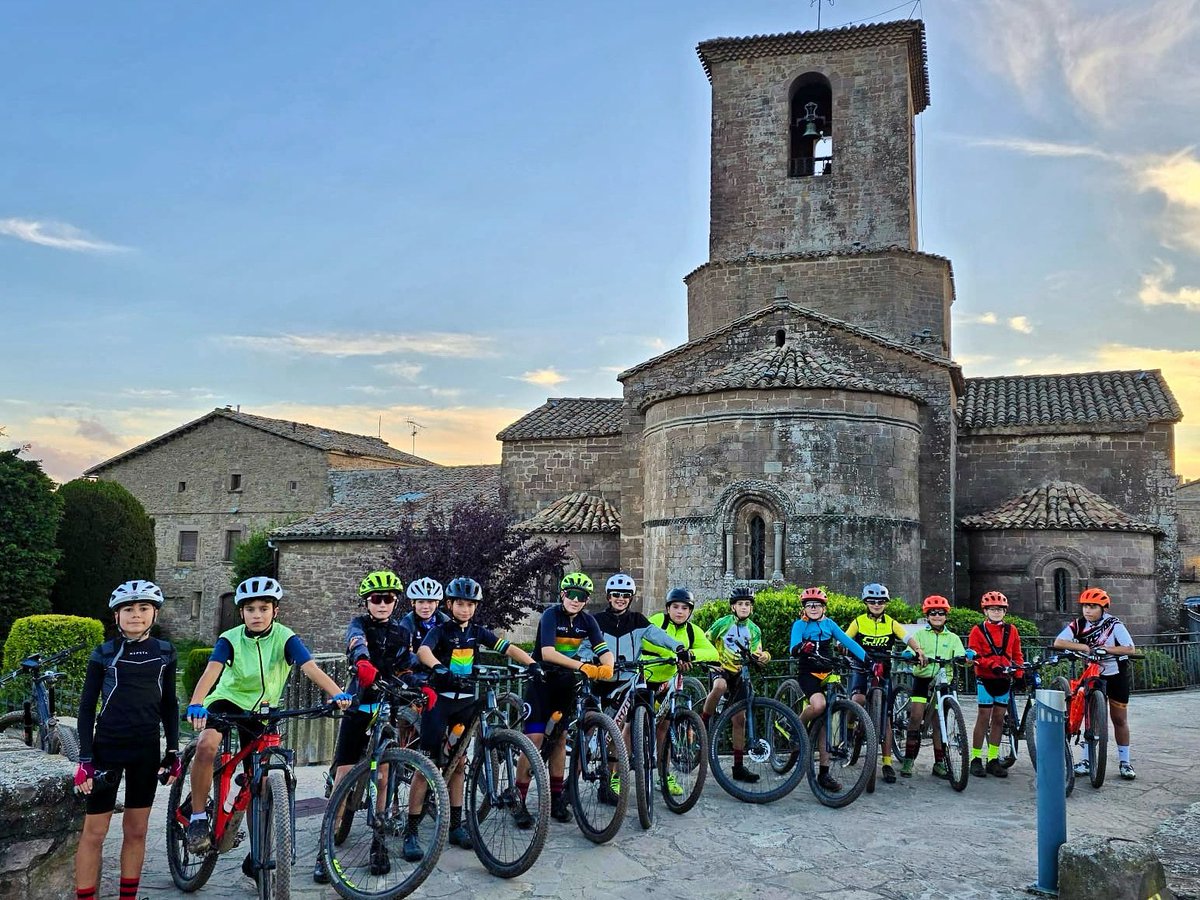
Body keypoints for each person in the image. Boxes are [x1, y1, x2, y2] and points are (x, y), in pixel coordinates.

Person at [184, 577, 352, 886]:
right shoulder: (230, 639)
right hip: (227, 701)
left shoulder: (286, 638)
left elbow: (310, 667)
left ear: (275, 611)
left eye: (264, 608)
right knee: (207, 746)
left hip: (263, 709)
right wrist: (197, 703)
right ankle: (196, 817)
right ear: (242, 612)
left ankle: (257, 854)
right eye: (250, 609)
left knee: (258, 783)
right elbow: (212, 671)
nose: (257, 614)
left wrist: (337, 693)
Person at [414, 576, 539, 855]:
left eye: (471, 605)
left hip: (466, 703)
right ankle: (411, 830)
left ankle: (456, 826)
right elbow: (423, 650)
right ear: (450, 604)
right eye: (460, 604)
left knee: (459, 764)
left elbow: (506, 647)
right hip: (440, 703)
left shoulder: (478, 632)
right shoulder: (442, 631)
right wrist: (439, 667)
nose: (465, 610)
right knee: (426, 767)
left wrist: (532, 664)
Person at [73, 581, 179, 900]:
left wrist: (172, 750)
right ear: (117, 616)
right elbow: (86, 707)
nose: (136, 615)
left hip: (146, 750)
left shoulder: (165, 652)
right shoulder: (103, 654)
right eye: (128, 609)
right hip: (107, 749)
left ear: (154, 613)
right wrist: (85, 760)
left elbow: (169, 704)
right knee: (95, 832)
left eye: (143, 608)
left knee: (136, 831)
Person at [313, 570, 417, 884]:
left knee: (383, 778)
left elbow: (405, 667)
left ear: (395, 601)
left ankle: (379, 844)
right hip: (359, 706)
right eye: (376, 599)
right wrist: (362, 663)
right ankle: (324, 849)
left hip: (387, 708)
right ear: (367, 602)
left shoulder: (401, 632)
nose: (382, 603)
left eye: (388, 598)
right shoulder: (359, 625)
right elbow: (356, 645)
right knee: (344, 776)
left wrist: (420, 686)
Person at [516, 572, 614, 826]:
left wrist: (608, 666)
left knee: (559, 740)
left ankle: (557, 799)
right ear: (562, 595)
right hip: (542, 684)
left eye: (581, 596)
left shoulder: (587, 621)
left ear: (586, 600)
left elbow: (602, 649)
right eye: (571, 594)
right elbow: (547, 653)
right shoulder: (551, 616)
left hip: (565, 686)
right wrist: (582, 666)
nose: (575, 600)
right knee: (534, 741)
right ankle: (519, 800)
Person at [588, 573, 686, 803]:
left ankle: (609, 782)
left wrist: (679, 647)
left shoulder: (638, 620)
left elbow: (659, 636)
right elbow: (586, 644)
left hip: (628, 681)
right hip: (601, 681)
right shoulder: (597, 620)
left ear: (631, 598)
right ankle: (569, 785)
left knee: (619, 728)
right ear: (608, 597)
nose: (620, 599)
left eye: (625, 595)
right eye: (616, 595)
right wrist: (589, 660)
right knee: (591, 731)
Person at [1052, 587, 1138, 780]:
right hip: (1093, 674)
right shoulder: (1078, 624)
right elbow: (1059, 642)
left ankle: (1125, 762)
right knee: (1091, 717)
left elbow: (1130, 648)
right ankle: (1086, 759)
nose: (1087, 611)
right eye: (1085, 606)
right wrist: (1083, 646)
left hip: (1115, 674)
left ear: (1103, 608)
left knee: (1119, 719)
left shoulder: (1114, 624)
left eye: (1092, 607)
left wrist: (1106, 649)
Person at [788, 586, 868, 792]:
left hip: (828, 672)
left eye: (817, 605)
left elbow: (848, 642)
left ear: (824, 607)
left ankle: (824, 773)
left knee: (826, 718)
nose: (813, 608)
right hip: (809, 673)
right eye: (809, 605)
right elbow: (793, 647)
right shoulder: (800, 625)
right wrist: (801, 648)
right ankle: (796, 727)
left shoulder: (830, 624)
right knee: (819, 705)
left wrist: (868, 660)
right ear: (804, 608)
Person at [642, 587, 720, 796]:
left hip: (669, 682)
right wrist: (673, 653)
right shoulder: (657, 621)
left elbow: (711, 652)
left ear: (690, 611)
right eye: (675, 607)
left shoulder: (692, 630)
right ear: (668, 608)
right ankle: (616, 776)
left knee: (664, 729)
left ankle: (664, 775)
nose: (679, 611)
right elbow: (642, 638)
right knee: (632, 725)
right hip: (646, 677)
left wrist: (689, 655)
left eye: (685, 608)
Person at [845, 583, 925, 784]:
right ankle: (850, 724)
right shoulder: (858, 621)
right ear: (866, 603)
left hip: (883, 669)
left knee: (886, 718)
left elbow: (908, 638)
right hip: (862, 668)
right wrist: (842, 647)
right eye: (872, 601)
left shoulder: (891, 623)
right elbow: (846, 639)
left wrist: (918, 650)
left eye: (880, 601)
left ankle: (887, 762)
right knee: (857, 699)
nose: (876, 604)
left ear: (886, 604)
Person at [701, 586, 772, 783]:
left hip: (741, 673)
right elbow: (705, 641)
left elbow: (758, 651)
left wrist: (764, 656)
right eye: (740, 604)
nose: (743, 607)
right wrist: (710, 661)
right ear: (733, 607)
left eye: (747, 604)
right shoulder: (722, 623)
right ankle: (704, 721)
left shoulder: (754, 629)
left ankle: (738, 767)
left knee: (739, 720)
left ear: (751, 608)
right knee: (720, 687)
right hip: (721, 668)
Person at [900, 595, 971, 778]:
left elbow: (961, 655)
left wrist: (965, 658)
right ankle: (908, 759)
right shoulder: (921, 635)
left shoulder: (953, 637)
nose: (937, 616)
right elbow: (910, 650)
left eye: (940, 613)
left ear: (946, 616)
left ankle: (939, 762)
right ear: (927, 616)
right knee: (916, 716)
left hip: (943, 681)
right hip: (923, 679)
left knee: (939, 723)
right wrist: (911, 655)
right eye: (933, 613)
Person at [966, 590, 1024, 778]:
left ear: (1005, 611)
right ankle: (975, 758)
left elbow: (1017, 654)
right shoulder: (978, 630)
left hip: (1004, 678)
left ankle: (992, 758)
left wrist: (1020, 673)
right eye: (992, 609)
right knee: (984, 716)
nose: (996, 612)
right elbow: (975, 654)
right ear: (985, 611)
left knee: (999, 718)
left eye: (1000, 609)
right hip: (985, 677)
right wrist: (992, 665)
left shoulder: (1011, 630)